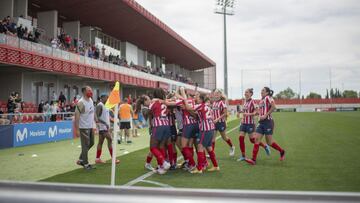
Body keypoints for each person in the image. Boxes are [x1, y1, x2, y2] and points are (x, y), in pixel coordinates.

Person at [245, 87, 286, 165]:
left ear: (267, 92)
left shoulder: (268, 98)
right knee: (256, 139)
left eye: (263, 91)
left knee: (269, 142)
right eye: (261, 91)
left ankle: (282, 151)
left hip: (268, 122)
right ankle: (253, 160)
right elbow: (260, 111)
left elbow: (274, 107)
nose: (261, 92)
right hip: (261, 123)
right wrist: (259, 116)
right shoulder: (261, 101)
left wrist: (265, 115)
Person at [183, 92, 220, 174]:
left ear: (201, 99)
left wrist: (184, 99)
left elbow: (188, 108)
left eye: (197, 97)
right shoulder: (206, 106)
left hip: (205, 129)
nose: (196, 98)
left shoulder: (201, 105)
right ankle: (216, 166)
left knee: (200, 146)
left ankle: (199, 168)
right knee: (209, 148)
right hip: (211, 129)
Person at [238, 88, 270, 161]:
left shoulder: (253, 102)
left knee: (252, 140)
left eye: (247, 92)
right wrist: (240, 112)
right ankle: (243, 156)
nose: (245, 93)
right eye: (245, 92)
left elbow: (257, 112)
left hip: (250, 124)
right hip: (243, 123)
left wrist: (248, 114)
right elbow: (244, 111)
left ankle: (265, 146)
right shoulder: (245, 102)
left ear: (251, 94)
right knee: (240, 138)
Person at [148, 89, 171, 174]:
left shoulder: (154, 102)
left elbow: (148, 112)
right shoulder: (165, 103)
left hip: (158, 126)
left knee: (153, 147)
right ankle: (162, 168)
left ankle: (164, 162)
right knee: (161, 146)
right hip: (166, 125)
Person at [75, 86, 97, 170]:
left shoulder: (91, 100)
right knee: (85, 145)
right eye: (89, 90)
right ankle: (86, 164)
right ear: (84, 92)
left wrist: (96, 121)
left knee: (91, 143)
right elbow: (77, 116)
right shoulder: (81, 102)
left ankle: (81, 159)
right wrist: (77, 129)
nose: (91, 92)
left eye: (91, 90)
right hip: (83, 127)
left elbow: (92, 111)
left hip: (90, 126)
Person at [95, 94, 120, 164]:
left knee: (100, 142)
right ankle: (113, 158)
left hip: (104, 126)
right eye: (107, 97)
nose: (108, 99)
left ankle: (97, 159)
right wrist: (105, 123)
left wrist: (113, 121)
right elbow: (97, 117)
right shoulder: (100, 105)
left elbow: (105, 117)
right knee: (110, 139)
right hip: (103, 127)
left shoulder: (105, 106)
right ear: (102, 98)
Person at [212, 89, 235, 156]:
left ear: (220, 94)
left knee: (224, 137)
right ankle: (212, 154)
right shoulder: (214, 103)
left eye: (217, 93)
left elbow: (225, 113)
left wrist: (217, 119)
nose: (216, 94)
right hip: (214, 123)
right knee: (212, 139)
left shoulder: (222, 102)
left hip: (221, 123)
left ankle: (232, 147)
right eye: (215, 93)